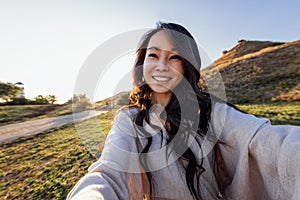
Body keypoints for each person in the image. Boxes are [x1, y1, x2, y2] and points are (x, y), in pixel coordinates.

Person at [67, 22, 300, 200]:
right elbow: (108, 171)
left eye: (174, 57)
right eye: (154, 55)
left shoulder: (210, 112)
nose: (161, 65)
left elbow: (263, 139)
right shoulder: (129, 121)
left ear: (187, 65)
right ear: (142, 62)